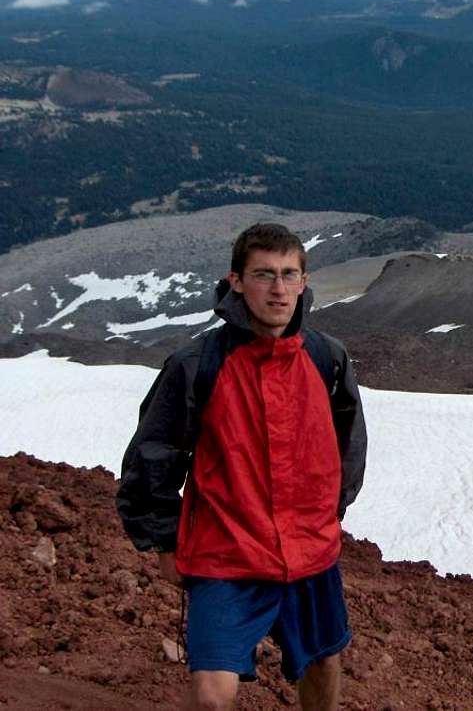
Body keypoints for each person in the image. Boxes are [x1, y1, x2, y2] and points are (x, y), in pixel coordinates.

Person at [116, 223, 367, 711]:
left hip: (309, 551)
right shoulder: (197, 363)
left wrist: (329, 515)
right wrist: (165, 542)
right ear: (235, 281)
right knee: (213, 696)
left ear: (303, 281)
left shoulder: (325, 358)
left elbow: (347, 444)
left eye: (288, 274)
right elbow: (154, 455)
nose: (277, 289)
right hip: (225, 553)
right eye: (263, 275)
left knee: (323, 664)